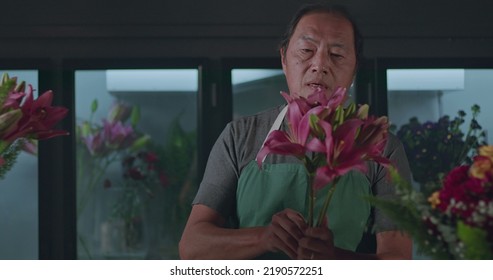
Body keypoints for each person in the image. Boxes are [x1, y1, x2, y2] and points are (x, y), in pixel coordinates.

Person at [179, 4, 413, 260]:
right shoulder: (240, 136)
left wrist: (334, 258)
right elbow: (192, 247)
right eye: (306, 50)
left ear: (355, 69)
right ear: (284, 59)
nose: (320, 65)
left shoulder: (379, 145)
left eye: (336, 54)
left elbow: (398, 260)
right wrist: (265, 237)